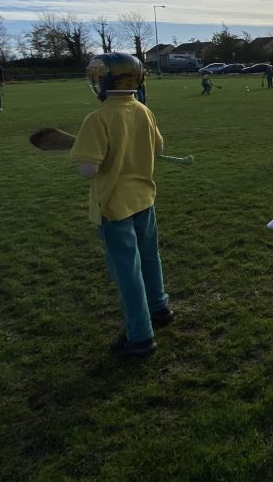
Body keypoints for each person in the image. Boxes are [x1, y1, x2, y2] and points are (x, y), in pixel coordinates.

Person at [70, 53, 174, 357]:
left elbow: (88, 170)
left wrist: (89, 154)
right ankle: (159, 306)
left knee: (127, 269)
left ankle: (140, 335)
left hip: (114, 206)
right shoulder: (144, 110)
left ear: (105, 81)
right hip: (144, 199)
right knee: (150, 257)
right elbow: (158, 148)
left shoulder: (97, 119)